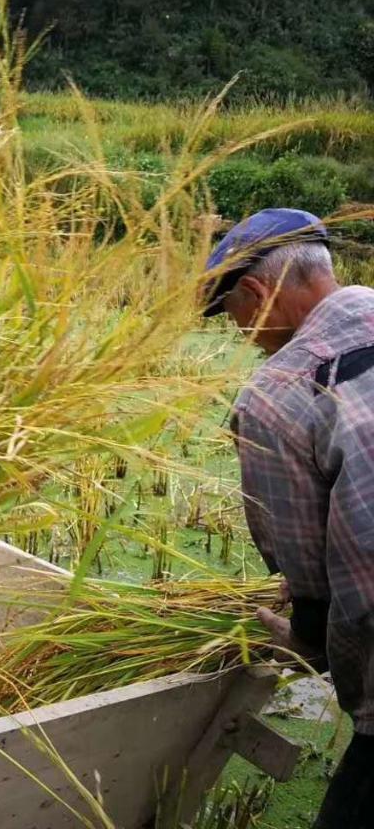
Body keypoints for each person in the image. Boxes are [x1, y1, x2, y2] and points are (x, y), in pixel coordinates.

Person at [203, 208, 374, 828]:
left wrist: (303, 642)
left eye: (233, 319)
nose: (243, 336)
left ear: (254, 292)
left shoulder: (279, 395)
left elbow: (312, 589)